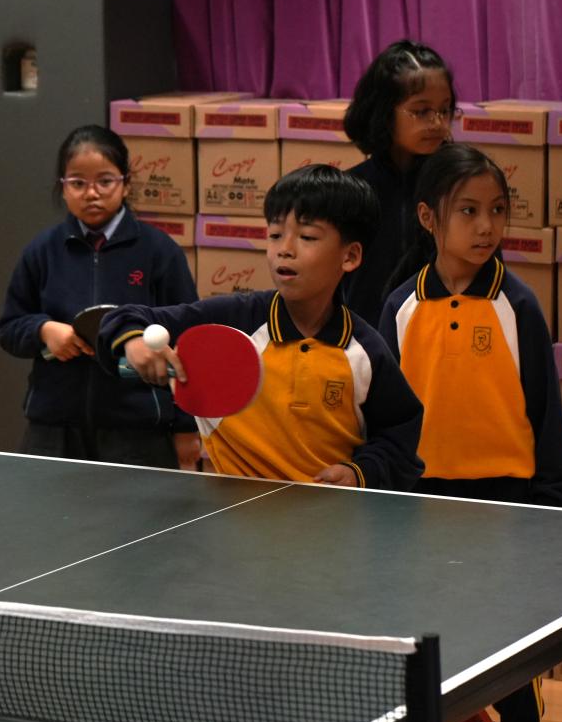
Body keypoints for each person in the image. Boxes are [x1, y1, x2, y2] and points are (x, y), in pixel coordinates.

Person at [378, 143, 562, 722]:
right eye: (468, 210)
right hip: (424, 503)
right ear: (428, 217)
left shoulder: (518, 305)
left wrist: (552, 505)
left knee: (511, 653)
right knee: (435, 653)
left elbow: (547, 415)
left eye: (497, 210)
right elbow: (386, 420)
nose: (486, 226)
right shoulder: (400, 307)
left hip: (506, 503)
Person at [95, 164, 425, 490]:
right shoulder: (234, 318)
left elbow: (399, 437)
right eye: (275, 235)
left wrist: (359, 472)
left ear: (349, 256)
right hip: (232, 512)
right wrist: (133, 341)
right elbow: (122, 318)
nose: (285, 249)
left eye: (307, 237)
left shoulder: (365, 351)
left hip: (329, 514)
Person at [0, 124, 201, 469]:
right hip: (54, 428)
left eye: (105, 181)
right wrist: (44, 330)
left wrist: (186, 427)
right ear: (62, 187)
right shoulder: (42, 251)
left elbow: (188, 343)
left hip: (138, 431)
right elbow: (9, 328)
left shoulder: (158, 251)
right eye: (78, 183)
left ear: (126, 184)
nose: (92, 193)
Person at [341, 39, 458, 327]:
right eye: (421, 111)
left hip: (442, 336)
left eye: (445, 110)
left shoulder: (460, 186)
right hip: (364, 338)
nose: (438, 123)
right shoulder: (349, 189)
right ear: (383, 112)